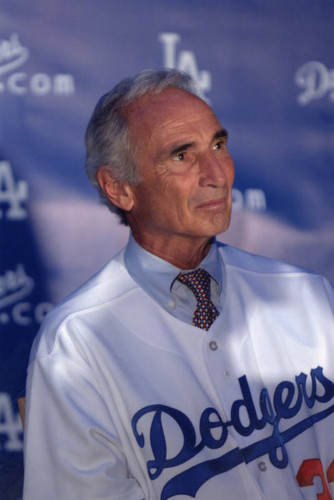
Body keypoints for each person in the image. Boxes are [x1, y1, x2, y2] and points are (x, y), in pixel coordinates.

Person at [23, 69, 334, 500]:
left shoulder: (308, 296)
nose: (216, 174)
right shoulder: (76, 344)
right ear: (119, 188)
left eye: (219, 146)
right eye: (182, 156)